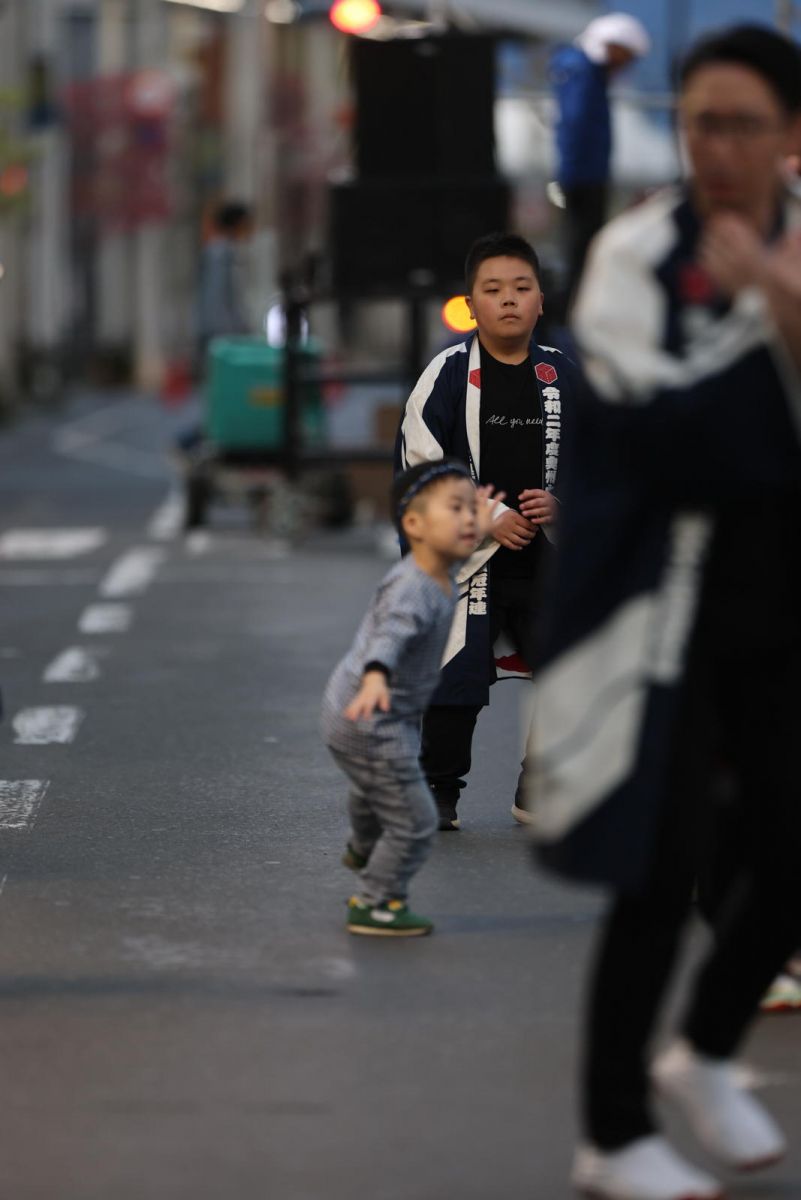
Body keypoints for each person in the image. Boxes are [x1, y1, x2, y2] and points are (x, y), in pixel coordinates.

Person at [524, 25, 801, 1200]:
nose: (717, 148)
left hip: (782, 600)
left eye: (742, 124)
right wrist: (776, 333)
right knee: (658, 867)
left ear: (791, 138)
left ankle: (706, 1050)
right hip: (660, 607)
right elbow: (663, 434)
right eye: (699, 122)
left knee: (793, 848)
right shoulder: (636, 254)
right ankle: (613, 1132)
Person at [395, 232, 579, 832]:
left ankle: (538, 784)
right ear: (470, 304)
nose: (508, 301)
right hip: (468, 559)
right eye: (493, 290)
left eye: (521, 288)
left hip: (548, 560)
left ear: (540, 301)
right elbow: (418, 470)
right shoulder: (446, 376)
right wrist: (487, 517)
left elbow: (606, 465)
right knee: (457, 679)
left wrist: (563, 502)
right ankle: (438, 789)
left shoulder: (563, 375)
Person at [321, 461, 502, 937]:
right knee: (417, 822)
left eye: (471, 507)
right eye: (455, 509)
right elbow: (391, 636)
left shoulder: (432, 569)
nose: (468, 518)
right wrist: (377, 676)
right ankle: (376, 902)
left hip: (346, 713)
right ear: (414, 525)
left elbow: (453, 565)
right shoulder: (415, 590)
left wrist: (483, 529)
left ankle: (362, 845)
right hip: (375, 714)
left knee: (370, 784)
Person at [550, 12, 651, 313]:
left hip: (582, 173)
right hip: (584, 176)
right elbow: (577, 122)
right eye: (627, 55)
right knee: (581, 251)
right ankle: (574, 316)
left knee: (581, 250)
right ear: (614, 46)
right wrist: (577, 174)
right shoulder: (584, 71)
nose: (627, 64)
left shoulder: (578, 69)